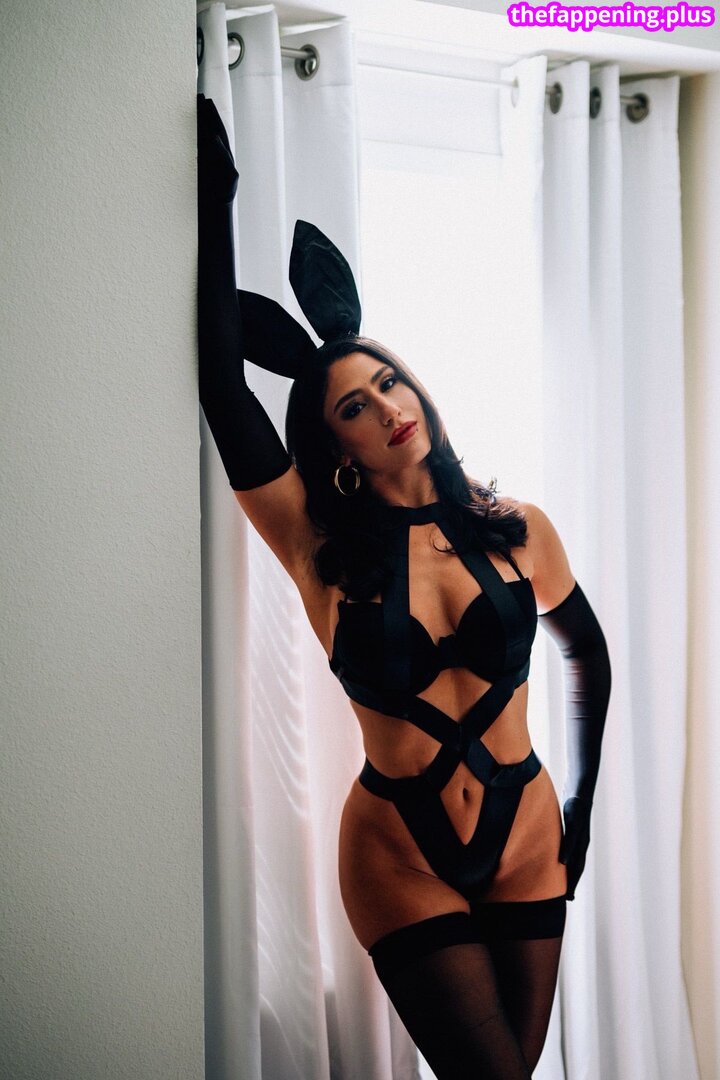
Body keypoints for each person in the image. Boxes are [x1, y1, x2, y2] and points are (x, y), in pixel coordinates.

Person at [197, 94, 611, 1080]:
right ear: (333, 444)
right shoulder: (314, 545)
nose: (388, 407)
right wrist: (217, 201)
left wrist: (582, 808)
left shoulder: (518, 527)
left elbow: (588, 654)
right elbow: (221, 383)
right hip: (397, 849)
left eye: (390, 381)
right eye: (355, 404)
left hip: (527, 831)